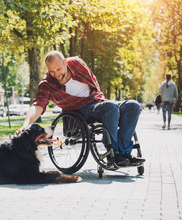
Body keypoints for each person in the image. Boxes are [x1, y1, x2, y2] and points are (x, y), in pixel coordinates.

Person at [15, 51, 145, 167]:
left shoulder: (77, 63)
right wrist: (26, 125)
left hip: (100, 102)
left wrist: (101, 99)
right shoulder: (47, 85)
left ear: (65, 62)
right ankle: (115, 154)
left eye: (58, 69)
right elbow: (37, 106)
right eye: (52, 71)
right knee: (110, 107)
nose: (56, 74)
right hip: (82, 112)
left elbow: (93, 81)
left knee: (133, 105)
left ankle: (124, 153)